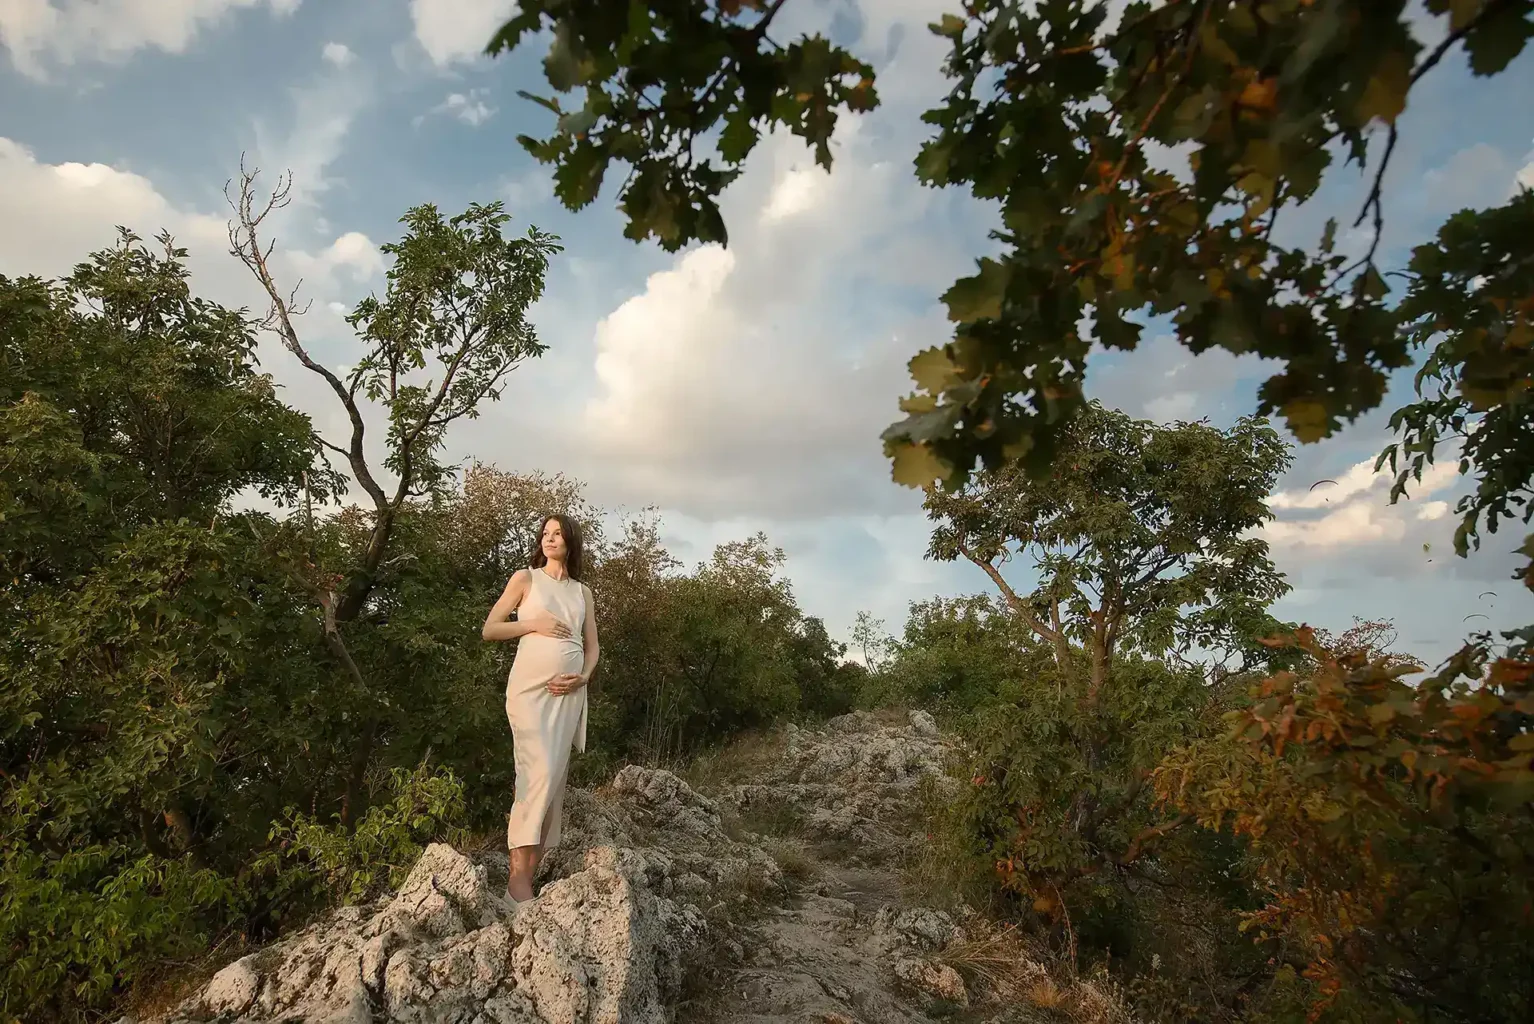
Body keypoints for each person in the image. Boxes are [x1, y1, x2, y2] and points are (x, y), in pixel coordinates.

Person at [481, 513, 600, 903]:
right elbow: (490, 628)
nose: (550, 539)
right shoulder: (525, 579)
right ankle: (517, 879)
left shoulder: (583, 593)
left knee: (554, 783)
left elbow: (593, 646)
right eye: (545, 534)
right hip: (530, 693)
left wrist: (583, 677)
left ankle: (527, 877)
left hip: (568, 695)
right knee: (538, 773)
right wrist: (534, 625)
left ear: (571, 542)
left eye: (558, 534)